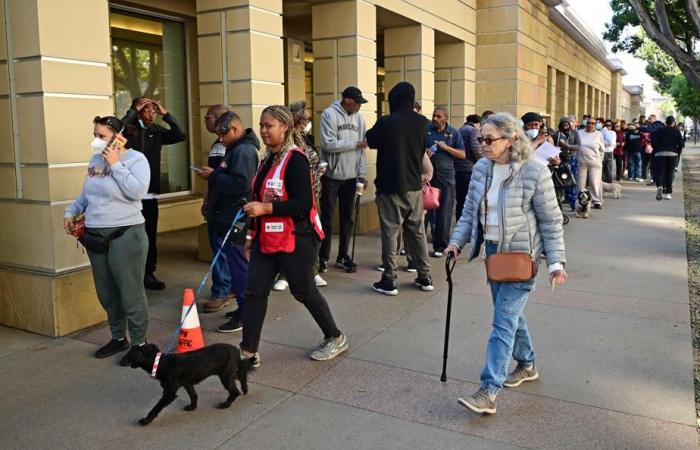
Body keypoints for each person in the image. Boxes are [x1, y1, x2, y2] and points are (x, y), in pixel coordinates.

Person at [445, 112, 567, 415]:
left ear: (511, 139)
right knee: (511, 316)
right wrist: (456, 241)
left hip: (521, 258)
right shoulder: (481, 169)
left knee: (502, 322)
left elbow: (551, 222)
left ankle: (489, 389)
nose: (483, 144)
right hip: (493, 255)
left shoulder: (535, 172)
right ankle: (527, 364)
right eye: (480, 139)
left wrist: (556, 262)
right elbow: (469, 211)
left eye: (489, 139)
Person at [240, 105, 347, 366]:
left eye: (270, 126)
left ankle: (335, 336)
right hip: (266, 238)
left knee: (303, 290)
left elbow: (302, 204)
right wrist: (250, 237)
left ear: (284, 127)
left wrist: (265, 208)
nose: (264, 131)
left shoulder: (296, 159)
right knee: (254, 291)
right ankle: (248, 351)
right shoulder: (266, 160)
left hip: (297, 238)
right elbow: (257, 198)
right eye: (262, 125)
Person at [63, 116, 150, 365]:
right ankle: (117, 336)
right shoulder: (95, 160)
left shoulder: (136, 159)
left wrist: (116, 164)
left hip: (125, 234)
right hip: (95, 235)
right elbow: (87, 193)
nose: (96, 141)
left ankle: (139, 343)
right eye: (95, 134)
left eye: (101, 136)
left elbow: (137, 192)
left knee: (130, 292)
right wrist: (70, 212)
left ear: (118, 136)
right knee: (107, 292)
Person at [366, 81, 434, 295]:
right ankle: (425, 277)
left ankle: (389, 280)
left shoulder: (386, 122)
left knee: (390, 232)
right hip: (414, 186)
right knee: (417, 232)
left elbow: (370, 140)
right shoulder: (423, 122)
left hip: (390, 187)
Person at [203, 111, 260, 333]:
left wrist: (214, 176)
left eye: (222, 135)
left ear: (234, 130)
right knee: (236, 269)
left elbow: (240, 184)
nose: (220, 140)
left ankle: (245, 315)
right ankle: (241, 309)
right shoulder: (235, 148)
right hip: (227, 216)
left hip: (237, 219)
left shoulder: (244, 151)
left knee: (239, 269)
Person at [121, 97, 186, 290]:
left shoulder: (155, 131)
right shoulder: (129, 130)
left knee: (149, 235)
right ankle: (131, 273)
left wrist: (166, 114)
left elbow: (179, 135)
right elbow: (117, 132)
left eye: (153, 110)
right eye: (145, 110)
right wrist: (133, 111)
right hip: (129, 193)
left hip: (149, 193)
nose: (150, 114)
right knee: (128, 235)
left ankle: (149, 272)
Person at [273, 100, 328, 290]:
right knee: (289, 233)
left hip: (313, 193)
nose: (307, 121)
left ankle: (312, 270)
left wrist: (318, 169)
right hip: (292, 195)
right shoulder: (286, 140)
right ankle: (284, 274)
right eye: (304, 118)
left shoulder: (307, 138)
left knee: (312, 234)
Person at [318, 86, 368, 272]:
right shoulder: (329, 115)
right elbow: (328, 145)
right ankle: (323, 257)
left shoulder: (359, 119)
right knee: (328, 218)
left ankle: (343, 255)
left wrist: (362, 174)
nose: (359, 107)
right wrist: (355, 143)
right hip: (332, 176)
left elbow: (362, 150)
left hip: (351, 177)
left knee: (348, 218)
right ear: (347, 100)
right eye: (357, 103)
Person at [197, 104, 233, 312]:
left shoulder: (232, 146)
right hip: (215, 202)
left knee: (222, 248)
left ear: (220, 119)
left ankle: (221, 291)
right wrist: (206, 199)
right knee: (220, 246)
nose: (205, 121)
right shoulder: (216, 144)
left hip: (226, 206)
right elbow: (212, 178)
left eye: (208, 117)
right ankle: (228, 286)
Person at [426, 107, 465, 257]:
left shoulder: (454, 133)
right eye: (433, 115)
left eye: (438, 116)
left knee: (444, 212)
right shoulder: (426, 130)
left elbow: (462, 154)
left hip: (447, 177)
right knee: (425, 211)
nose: (435, 118)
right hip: (428, 177)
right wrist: (425, 153)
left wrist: (446, 147)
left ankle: (440, 246)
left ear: (445, 119)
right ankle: (417, 245)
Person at [651, 116, 684, 200]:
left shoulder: (659, 131)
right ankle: (668, 193)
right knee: (669, 173)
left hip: (659, 153)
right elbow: (680, 144)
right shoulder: (676, 131)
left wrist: (657, 150)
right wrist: (677, 152)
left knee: (660, 172)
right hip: (672, 154)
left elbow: (653, 142)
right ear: (673, 123)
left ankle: (659, 186)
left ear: (666, 122)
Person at [551, 116, 581, 210]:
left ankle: (573, 204)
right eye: (563, 124)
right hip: (560, 160)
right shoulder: (556, 134)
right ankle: (559, 204)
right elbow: (551, 145)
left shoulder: (575, 133)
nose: (565, 125)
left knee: (572, 182)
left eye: (566, 124)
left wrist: (567, 146)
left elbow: (578, 146)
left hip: (572, 159)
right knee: (560, 182)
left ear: (569, 124)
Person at [577, 116, 605, 210]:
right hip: (581, 161)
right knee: (580, 183)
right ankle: (581, 201)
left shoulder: (599, 134)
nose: (590, 125)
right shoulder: (579, 133)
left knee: (594, 182)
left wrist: (599, 159)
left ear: (596, 125)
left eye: (593, 123)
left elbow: (602, 149)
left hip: (595, 162)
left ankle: (597, 201)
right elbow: (576, 145)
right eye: (588, 123)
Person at [457, 114, 482, 218]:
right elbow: (476, 149)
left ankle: (459, 222)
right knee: (468, 200)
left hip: (456, 168)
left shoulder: (459, 130)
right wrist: (482, 163)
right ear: (477, 124)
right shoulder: (474, 131)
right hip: (468, 168)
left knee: (460, 200)